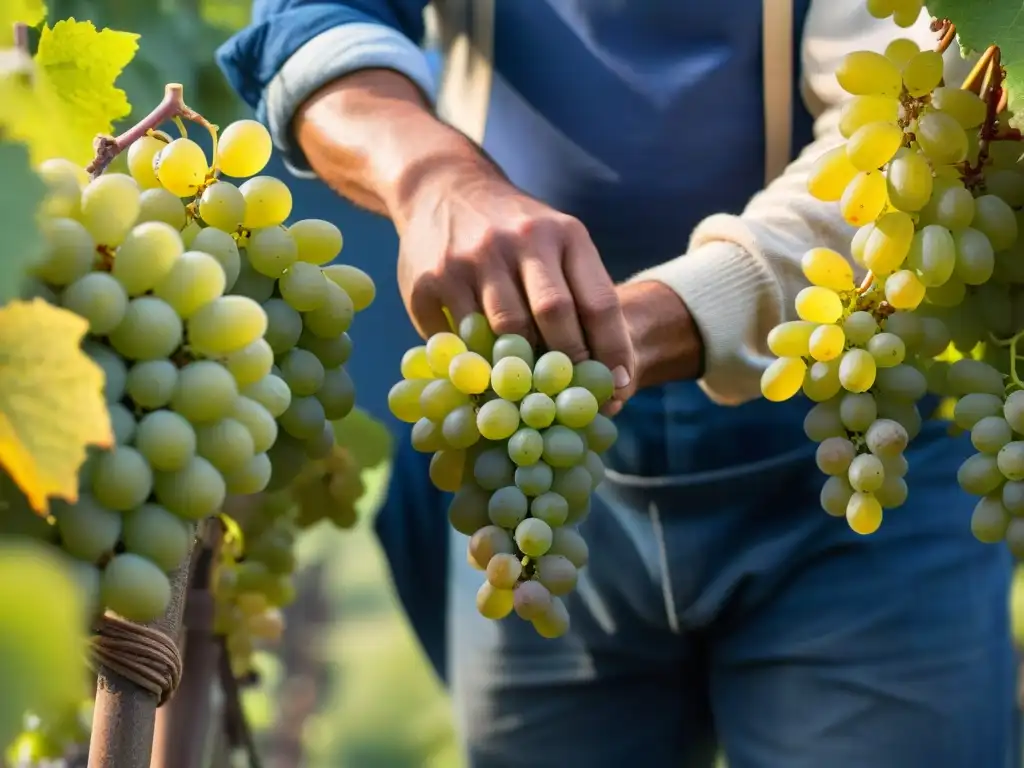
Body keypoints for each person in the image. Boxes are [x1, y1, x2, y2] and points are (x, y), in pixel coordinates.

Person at [219, 1, 1017, 765]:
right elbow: (312, 17)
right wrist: (431, 175)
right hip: (530, 451)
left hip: (855, 426)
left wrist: (645, 321)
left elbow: (905, 149)